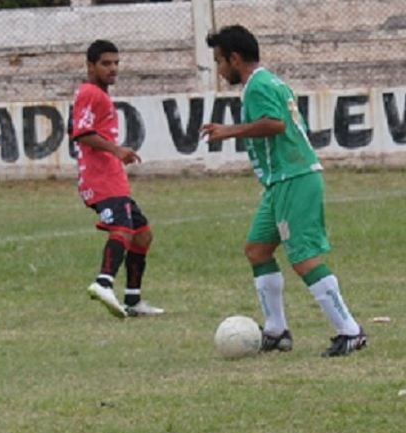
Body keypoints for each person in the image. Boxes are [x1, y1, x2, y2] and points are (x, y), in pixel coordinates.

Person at [201, 25, 366, 357]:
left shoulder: (259, 85)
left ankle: (350, 331)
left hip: (295, 178)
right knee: (257, 249)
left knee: (303, 258)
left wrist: (229, 131)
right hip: (280, 183)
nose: (219, 69)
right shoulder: (267, 81)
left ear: (235, 58)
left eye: (219, 61)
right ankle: (277, 331)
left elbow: (275, 123)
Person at [69, 40, 165, 319]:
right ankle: (103, 282)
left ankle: (133, 300)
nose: (113, 69)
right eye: (106, 63)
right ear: (90, 66)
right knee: (122, 229)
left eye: (116, 63)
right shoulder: (91, 93)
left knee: (142, 234)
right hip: (101, 179)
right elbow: (82, 132)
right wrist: (116, 149)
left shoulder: (97, 94)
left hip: (112, 177)